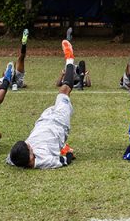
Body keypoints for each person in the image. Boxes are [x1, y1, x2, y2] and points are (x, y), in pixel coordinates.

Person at [7, 40, 78, 169]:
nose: (29, 145)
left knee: (61, 96)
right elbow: (65, 161)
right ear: (30, 157)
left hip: (43, 121)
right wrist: (68, 153)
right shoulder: (45, 161)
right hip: (59, 124)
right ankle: (70, 59)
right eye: (29, 147)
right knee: (64, 90)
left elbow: (11, 159)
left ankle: (61, 146)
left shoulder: (14, 158)